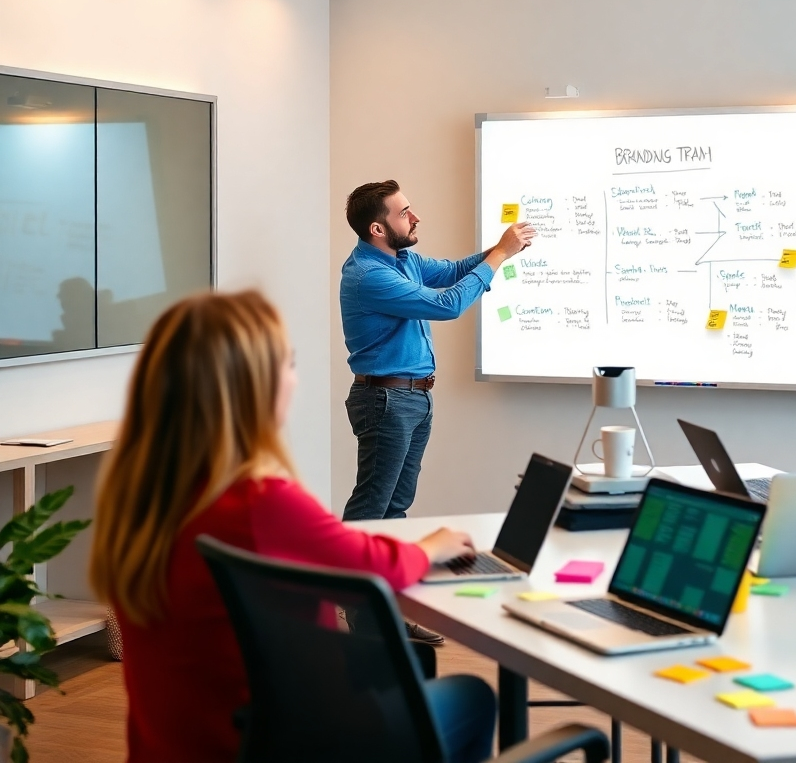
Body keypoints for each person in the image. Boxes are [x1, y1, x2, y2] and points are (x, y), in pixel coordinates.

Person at [89, 290, 495, 763]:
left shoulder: (141, 497)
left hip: (176, 746)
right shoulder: (257, 502)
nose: (295, 381)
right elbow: (370, 568)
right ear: (251, 387)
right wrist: (431, 547)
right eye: (289, 364)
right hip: (288, 739)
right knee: (472, 696)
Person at [340, 181, 536, 524]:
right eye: (404, 213)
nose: (415, 217)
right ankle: (345, 561)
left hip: (414, 397)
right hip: (386, 400)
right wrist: (500, 255)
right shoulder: (369, 276)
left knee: (396, 505)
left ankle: (389, 560)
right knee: (372, 505)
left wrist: (502, 248)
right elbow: (448, 305)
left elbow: (453, 272)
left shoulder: (403, 259)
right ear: (377, 229)